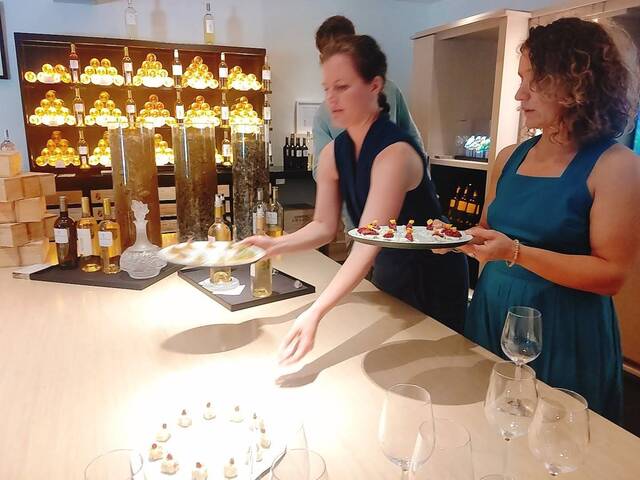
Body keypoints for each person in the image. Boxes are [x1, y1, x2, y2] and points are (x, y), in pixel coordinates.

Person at [244, 34, 468, 365]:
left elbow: (365, 245)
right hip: (390, 263)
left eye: (342, 87)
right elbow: (324, 226)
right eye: (327, 88)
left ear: (375, 86)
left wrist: (315, 313)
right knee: (391, 359)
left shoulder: (394, 153)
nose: (331, 99)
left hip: (432, 271)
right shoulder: (334, 153)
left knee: (435, 365)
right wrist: (275, 245)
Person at [460, 18, 640, 423]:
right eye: (521, 80)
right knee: (487, 425)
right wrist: (455, 240)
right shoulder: (510, 156)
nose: (519, 94)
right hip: (492, 308)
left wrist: (515, 253)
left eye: (534, 81)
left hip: (563, 325)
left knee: (553, 435)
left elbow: (611, 275)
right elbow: (487, 232)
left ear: (577, 84)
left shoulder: (617, 166)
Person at [311, 16, 426, 232]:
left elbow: (414, 142)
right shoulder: (324, 116)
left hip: (405, 222)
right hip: (357, 220)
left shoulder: (389, 91)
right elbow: (322, 173)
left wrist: (420, 180)